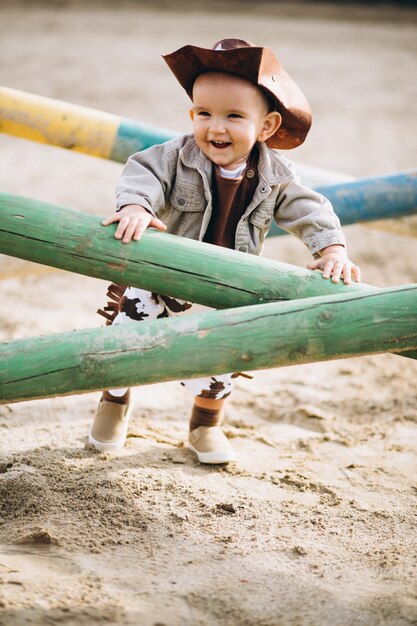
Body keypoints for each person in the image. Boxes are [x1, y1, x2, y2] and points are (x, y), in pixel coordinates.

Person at [88, 38, 360, 464]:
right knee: (126, 334)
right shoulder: (175, 157)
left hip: (225, 287)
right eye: (204, 114)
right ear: (192, 115)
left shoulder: (277, 176)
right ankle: (114, 404)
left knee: (221, 359)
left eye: (234, 116)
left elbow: (311, 210)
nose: (216, 128)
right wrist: (136, 206)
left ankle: (204, 425)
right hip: (161, 273)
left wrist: (332, 249)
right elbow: (142, 171)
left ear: (266, 126)